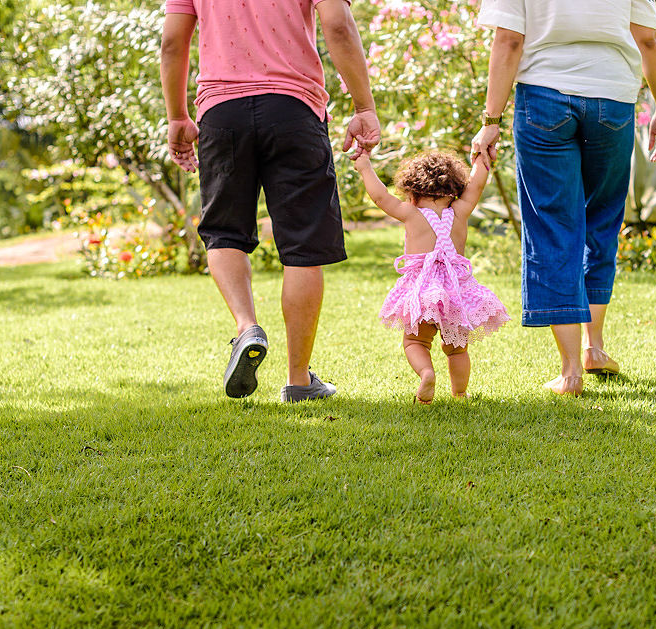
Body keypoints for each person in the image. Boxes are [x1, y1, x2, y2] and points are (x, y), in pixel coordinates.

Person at [160, 0, 380, 402]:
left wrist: (177, 117)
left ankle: (247, 328)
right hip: (292, 107)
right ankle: (298, 382)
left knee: (224, 233)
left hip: (221, 112)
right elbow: (338, 25)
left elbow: (173, 42)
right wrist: (364, 106)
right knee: (303, 246)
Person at [471, 0, 656, 396]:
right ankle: (594, 348)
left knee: (552, 226)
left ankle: (570, 372)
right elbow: (648, 40)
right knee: (602, 219)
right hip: (612, 100)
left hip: (544, 98)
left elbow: (509, 40)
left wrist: (490, 121)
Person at [353, 150, 510, 403]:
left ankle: (426, 373)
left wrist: (364, 167)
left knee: (415, 341)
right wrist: (481, 158)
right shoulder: (460, 210)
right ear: (454, 188)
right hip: (456, 290)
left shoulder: (410, 213)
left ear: (412, 191)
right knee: (457, 348)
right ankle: (460, 393)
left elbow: (380, 196)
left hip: (423, 290)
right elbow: (478, 183)